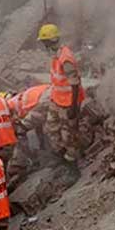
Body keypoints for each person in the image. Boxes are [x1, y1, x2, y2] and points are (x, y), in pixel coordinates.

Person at [37, 24, 85, 164]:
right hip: (57, 99)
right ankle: (61, 153)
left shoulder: (65, 58)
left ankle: (73, 160)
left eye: (44, 41)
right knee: (51, 126)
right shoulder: (56, 55)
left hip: (68, 103)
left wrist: (73, 106)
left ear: (51, 41)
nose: (43, 45)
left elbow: (75, 84)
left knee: (69, 133)